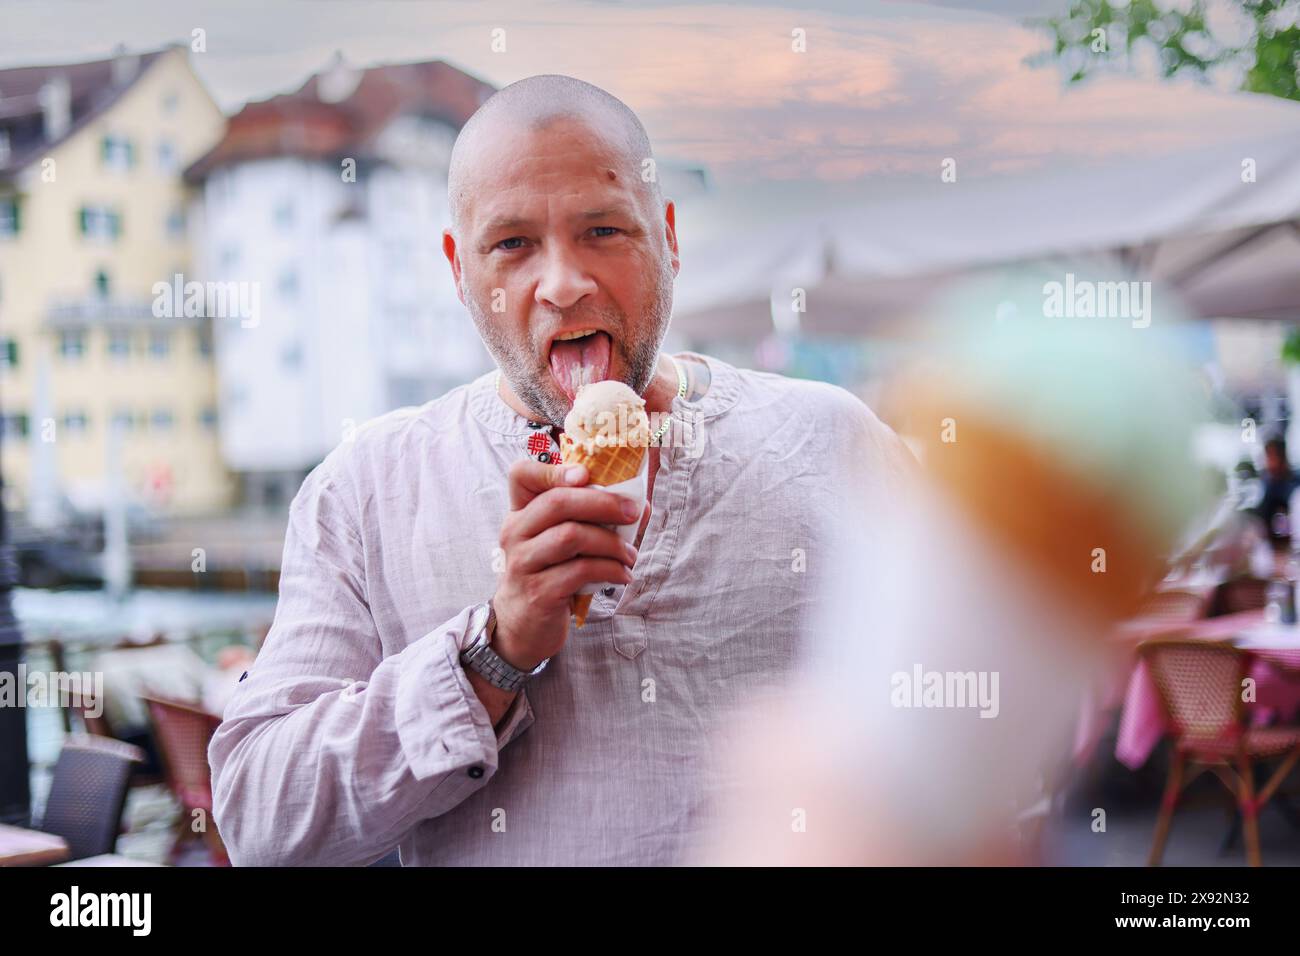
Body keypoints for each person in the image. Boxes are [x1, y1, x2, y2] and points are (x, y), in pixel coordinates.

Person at [208, 74, 913, 866]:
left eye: (604, 230)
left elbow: (981, 725)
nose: (563, 283)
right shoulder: (365, 491)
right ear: (458, 269)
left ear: (669, 238)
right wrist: (491, 653)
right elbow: (260, 819)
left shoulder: (831, 440)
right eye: (511, 244)